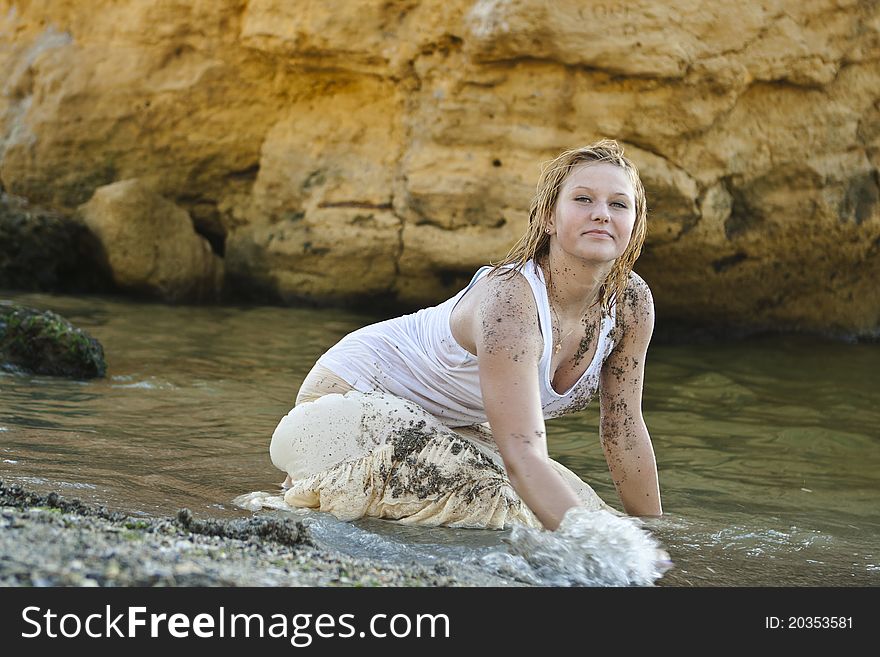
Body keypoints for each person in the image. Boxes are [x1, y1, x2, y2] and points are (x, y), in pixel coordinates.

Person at [269, 139, 662, 531]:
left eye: (618, 204)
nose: (601, 215)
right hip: (350, 398)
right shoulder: (511, 300)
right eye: (582, 199)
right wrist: (607, 552)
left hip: (449, 426)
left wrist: (655, 539)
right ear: (548, 217)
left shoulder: (630, 304)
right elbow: (524, 454)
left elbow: (623, 431)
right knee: (498, 504)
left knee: (594, 515)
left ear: (635, 223)